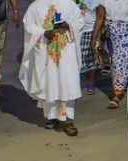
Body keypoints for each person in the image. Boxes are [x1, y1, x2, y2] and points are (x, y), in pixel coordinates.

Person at [19, 0, 84, 136]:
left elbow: (79, 23)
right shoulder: (36, 6)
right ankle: (51, 117)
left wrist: (68, 26)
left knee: (67, 84)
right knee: (49, 83)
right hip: (46, 54)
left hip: (66, 54)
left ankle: (67, 120)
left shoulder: (69, 5)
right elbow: (28, 25)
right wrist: (43, 33)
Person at [91, 0, 128, 109]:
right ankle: (124, 84)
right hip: (110, 33)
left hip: (126, 32)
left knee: (121, 62)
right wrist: (95, 37)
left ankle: (118, 93)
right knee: (114, 62)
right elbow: (100, 18)